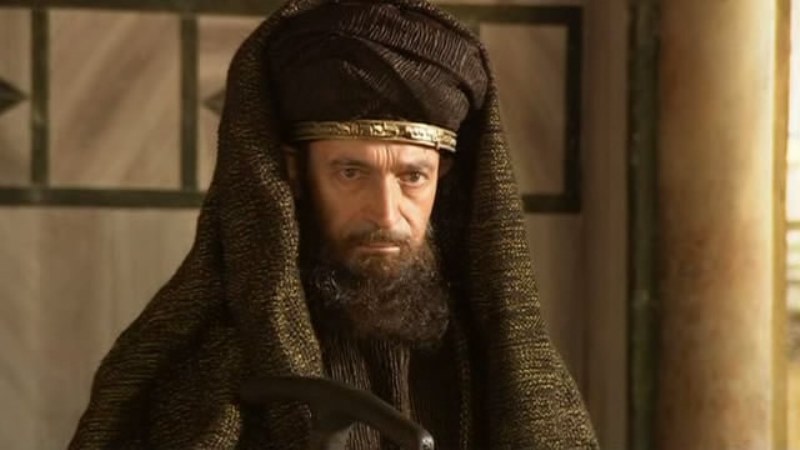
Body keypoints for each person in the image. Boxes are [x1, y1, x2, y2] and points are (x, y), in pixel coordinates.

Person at [69, 0, 598, 448]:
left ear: (445, 179)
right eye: (351, 172)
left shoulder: (499, 368)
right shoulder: (208, 372)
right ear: (295, 172)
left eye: (413, 177)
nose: (386, 214)